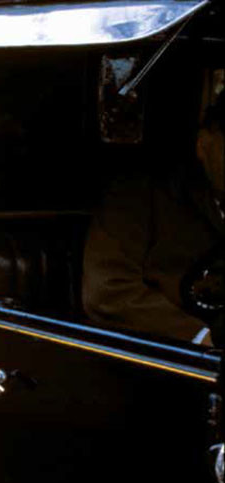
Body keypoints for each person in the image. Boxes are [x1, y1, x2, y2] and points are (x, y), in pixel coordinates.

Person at [82, 92, 225, 347]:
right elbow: (108, 291)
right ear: (204, 144)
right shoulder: (138, 196)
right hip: (158, 356)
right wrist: (198, 338)